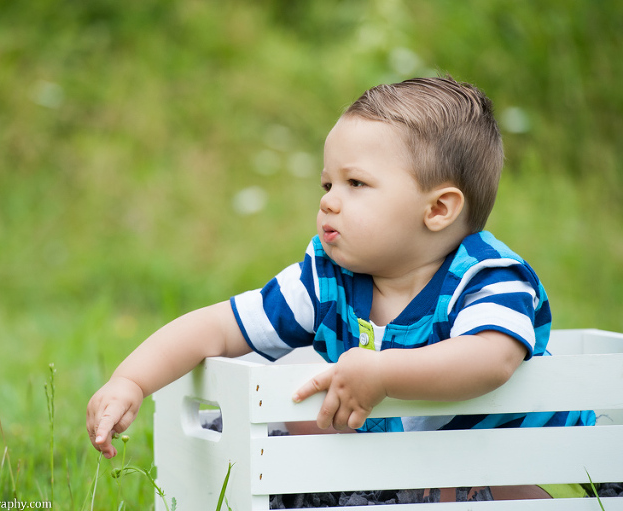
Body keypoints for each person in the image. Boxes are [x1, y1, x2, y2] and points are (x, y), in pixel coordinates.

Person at [86, 76, 594, 500]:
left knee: (497, 493)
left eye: (356, 184)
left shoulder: (489, 277)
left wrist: (384, 371)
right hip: (393, 465)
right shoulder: (325, 277)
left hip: (494, 460)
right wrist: (132, 380)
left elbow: (491, 359)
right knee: (292, 436)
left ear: (438, 210)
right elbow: (219, 326)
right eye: (327, 184)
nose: (330, 201)